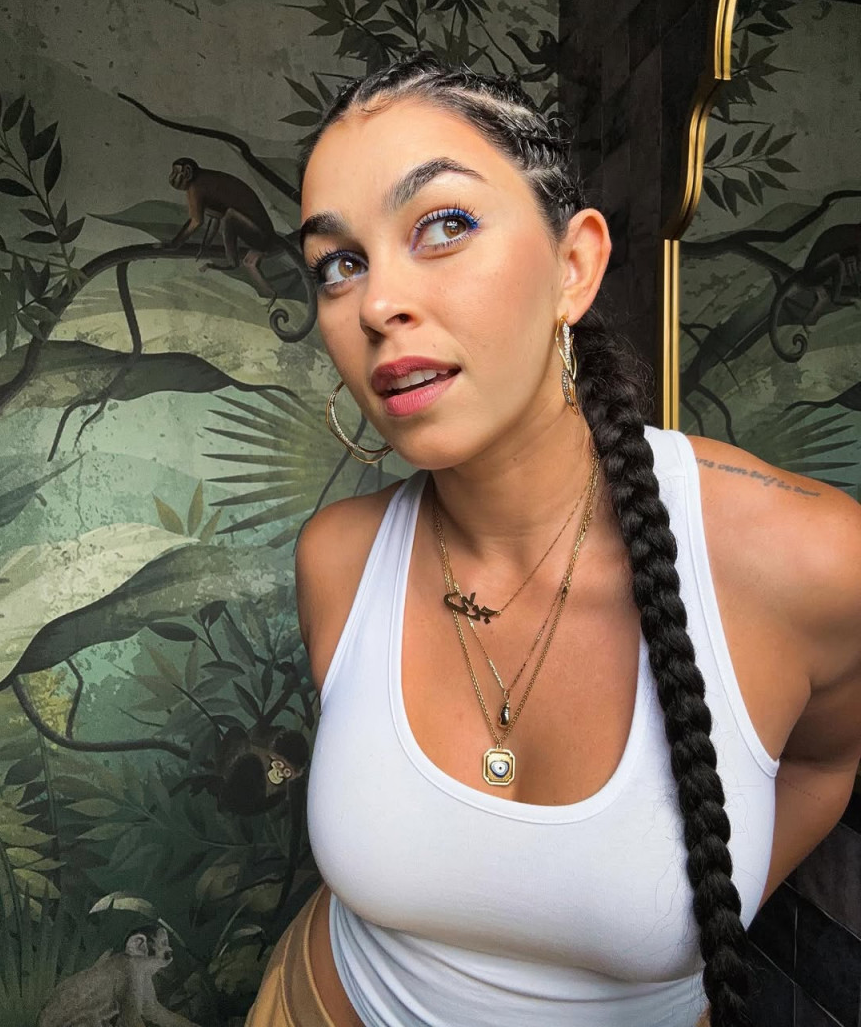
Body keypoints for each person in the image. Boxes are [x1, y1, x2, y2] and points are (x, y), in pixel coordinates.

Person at [245, 53, 861, 1027]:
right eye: (339, 263)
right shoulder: (338, 559)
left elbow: (825, 762)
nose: (375, 304)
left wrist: (690, 926)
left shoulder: (811, 561)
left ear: (574, 265)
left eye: (443, 226)